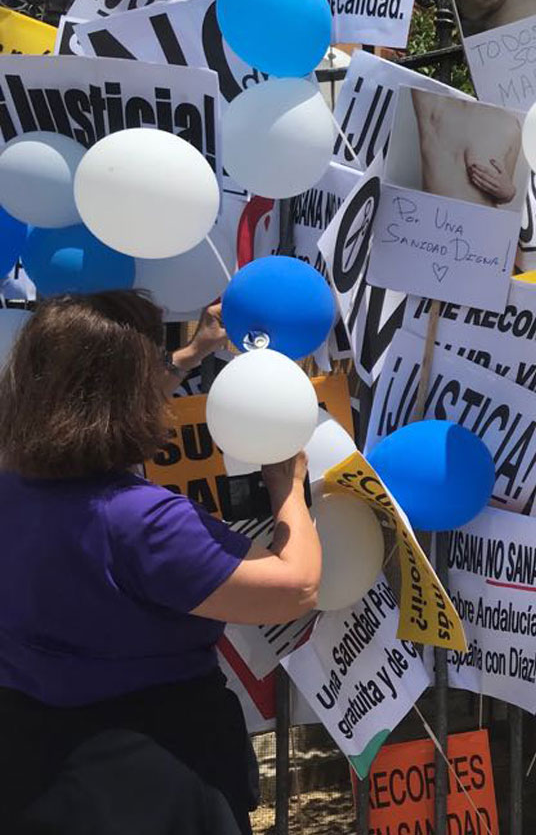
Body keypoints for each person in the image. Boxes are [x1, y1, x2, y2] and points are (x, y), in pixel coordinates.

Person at [0, 292, 322, 834]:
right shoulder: (142, 521)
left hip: (33, 766)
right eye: (148, 363)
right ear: (122, 393)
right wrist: (286, 484)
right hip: (154, 777)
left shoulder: (13, 482)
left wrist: (192, 354)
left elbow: (85, 406)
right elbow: (295, 587)